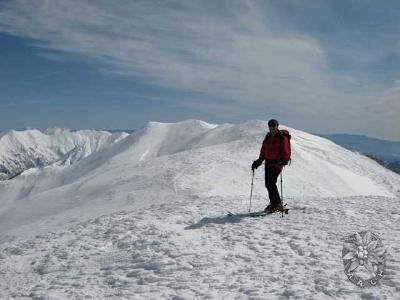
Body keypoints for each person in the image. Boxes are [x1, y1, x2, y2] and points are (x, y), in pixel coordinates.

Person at [251, 119, 291, 213]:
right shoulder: (268, 137)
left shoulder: (281, 137)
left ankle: (276, 203)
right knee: (268, 184)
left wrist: (284, 159)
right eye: (270, 126)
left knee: (270, 183)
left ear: (277, 126)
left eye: (273, 125)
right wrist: (258, 162)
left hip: (277, 163)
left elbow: (285, 149)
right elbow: (264, 151)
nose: (272, 127)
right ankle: (276, 203)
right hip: (268, 163)